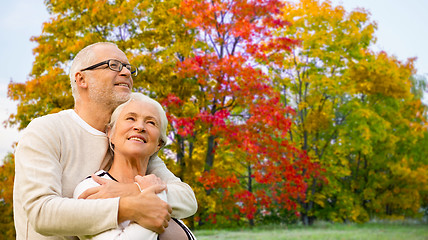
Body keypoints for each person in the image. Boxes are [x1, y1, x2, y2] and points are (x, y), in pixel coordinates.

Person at [13, 42, 197, 240]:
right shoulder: (47, 130)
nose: (126, 72)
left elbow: (186, 198)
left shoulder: (128, 141)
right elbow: (41, 213)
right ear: (82, 79)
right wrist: (128, 207)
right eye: (113, 65)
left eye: (128, 68)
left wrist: (132, 190)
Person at [73, 93, 195, 240]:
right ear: (110, 133)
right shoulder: (93, 187)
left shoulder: (158, 183)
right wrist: (153, 195)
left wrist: (142, 190)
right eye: (130, 118)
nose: (139, 127)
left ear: (159, 144)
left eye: (151, 122)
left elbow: (189, 202)